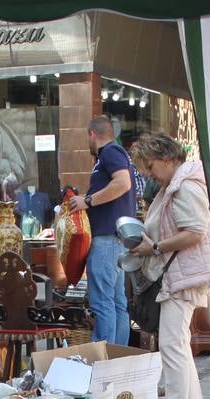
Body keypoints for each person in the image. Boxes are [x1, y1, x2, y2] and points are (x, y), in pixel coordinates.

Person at [125, 133, 210, 399]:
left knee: (172, 344)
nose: (148, 173)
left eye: (150, 166)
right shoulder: (175, 184)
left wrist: (155, 248)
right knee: (176, 342)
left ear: (167, 159)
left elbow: (194, 232)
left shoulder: (185, 186)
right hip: (181, 273)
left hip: (183, 274)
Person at [67, 116, 137, 345]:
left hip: (107, 240)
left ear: (92, 134)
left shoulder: (109, 153)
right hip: (117, 241)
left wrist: (87, 201)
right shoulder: (115, 154)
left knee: (103, 302)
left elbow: (123, 183)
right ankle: (118, 357)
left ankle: (104, 361)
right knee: (117, 303)